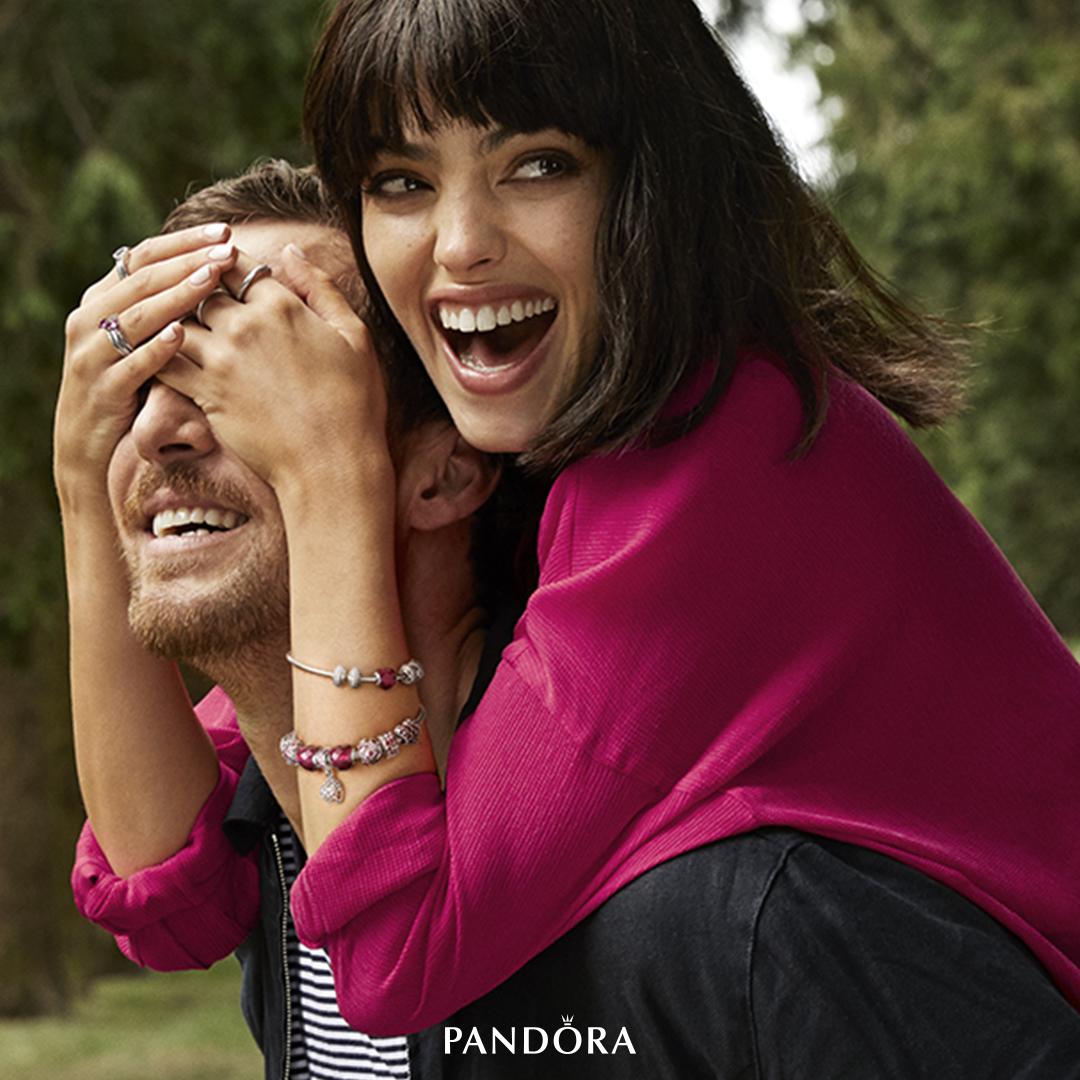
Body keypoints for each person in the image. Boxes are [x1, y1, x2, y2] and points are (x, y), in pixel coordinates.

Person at [65, 0, 1080, 1072]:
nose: (462, 243)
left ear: (651, 183)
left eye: (539, 165)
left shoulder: (710, 454)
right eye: (401, 181)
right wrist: (86, 486)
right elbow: (166, 897)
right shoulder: (558, 505)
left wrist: (327, 467)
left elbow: (396, 956)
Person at [58, 161, 516, 1079]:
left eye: (259, 373)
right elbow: (156, 889)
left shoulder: (623, 871)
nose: (156, 431)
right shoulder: (268, 823)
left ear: (445, 473)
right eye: (142, 378)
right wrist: (80, 479)